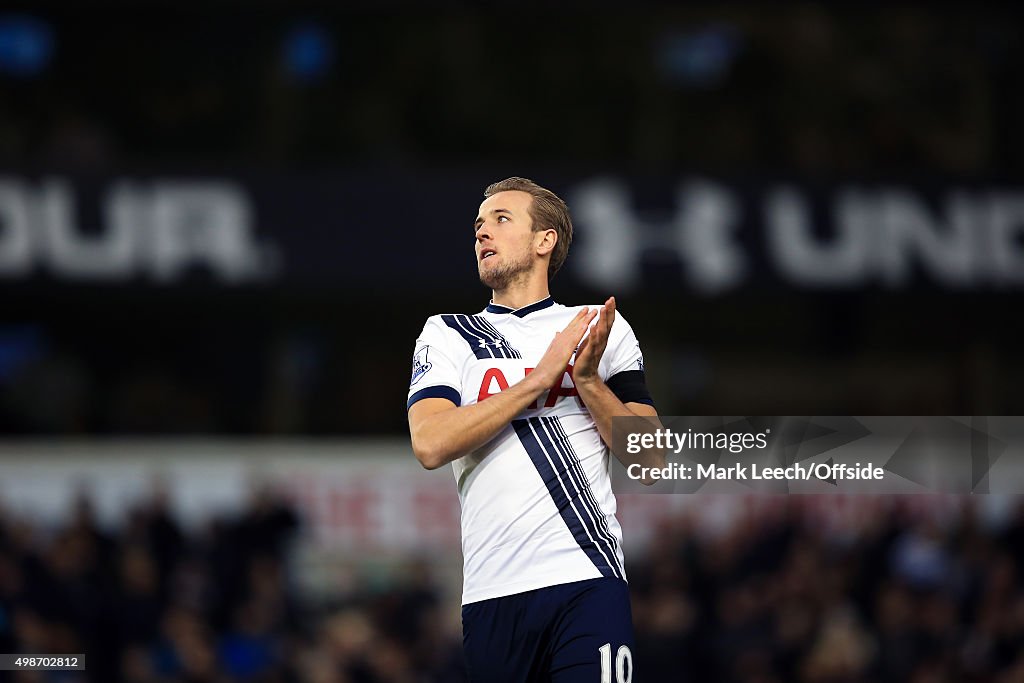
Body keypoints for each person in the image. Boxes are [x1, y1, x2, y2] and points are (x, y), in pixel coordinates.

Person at [407, 177, 662, 683]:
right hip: (492, 591)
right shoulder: (449, 333)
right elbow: (430, 443)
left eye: (502, 220)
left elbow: (652, 459)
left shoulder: (597, 328)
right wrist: (540, 380)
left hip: (587, 576)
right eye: (479, 226)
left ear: (545, 241)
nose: (483, 233)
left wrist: (585, 380)